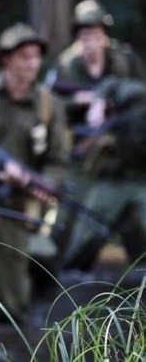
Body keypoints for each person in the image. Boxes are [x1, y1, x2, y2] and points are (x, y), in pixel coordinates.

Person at [0, 22, 69, 325]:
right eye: (24, 56)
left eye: (36, 56)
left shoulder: (49, 105)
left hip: (13, 208)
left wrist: (41, 184)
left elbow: (58, 160)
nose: (31, 63)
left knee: (11, 303)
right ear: (6, 59)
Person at [59, 77, 146, 269]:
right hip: (116, 179)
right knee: (87, 232)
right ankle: (67, 280)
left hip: (142, 181)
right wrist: (98, 103)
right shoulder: (137, 92)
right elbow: (111, 84)